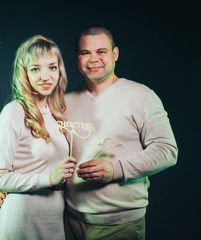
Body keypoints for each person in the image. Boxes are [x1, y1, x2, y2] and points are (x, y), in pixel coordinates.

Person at [62, 25, 178, 240]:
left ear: (115, 54)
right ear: (77, 57)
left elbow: (167, 151)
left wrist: (116, 169)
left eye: (101, 51)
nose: (94, 58)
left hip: (119, 225)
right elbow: (50, 155)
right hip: (69, 221)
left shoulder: (141, 96)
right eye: (86, 52)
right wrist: (13, 186)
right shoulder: (65, 102)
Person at [0, 35, 76, 240]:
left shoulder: (57, 113)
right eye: (35, 69)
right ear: (24, 73)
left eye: (52, 67)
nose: (46, 76)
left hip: (54, 222)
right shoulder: (14, 112)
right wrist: (49, 178)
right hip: (22, 222)